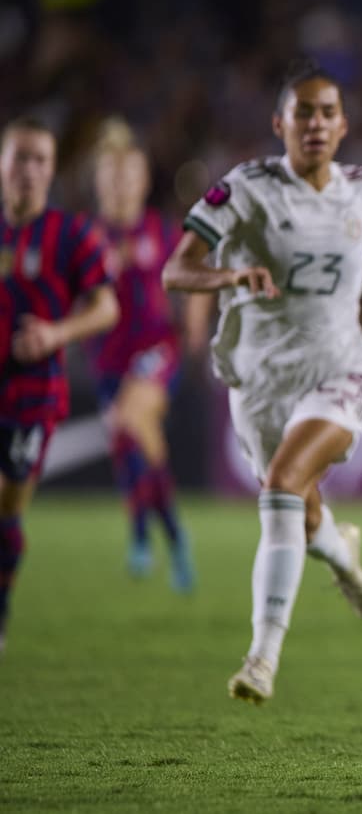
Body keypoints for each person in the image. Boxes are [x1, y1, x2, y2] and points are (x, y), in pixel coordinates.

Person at [162, 59, 362, 704]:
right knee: (298, 507)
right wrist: (230, 276)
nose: (315, 124)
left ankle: (261, 659)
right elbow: (176, 271)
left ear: (343, 125)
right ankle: (341, 553)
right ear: (279, 124)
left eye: (327, 113)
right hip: (259, 381)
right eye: (303, 113)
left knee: (283, 485)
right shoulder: (244, 190)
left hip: (338, 369)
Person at [0, 117, 120, 656]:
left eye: (40, 159)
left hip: (34, 396)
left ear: (51, 170)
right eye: (20, 157)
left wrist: (55, 333)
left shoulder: (71, 235)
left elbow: (106, 307)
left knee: (8, 511)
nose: (29, 169)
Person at [91, 126, 195, 591]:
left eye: (128, 174)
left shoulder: (161, 230)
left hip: (156, 349)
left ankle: (139, 537)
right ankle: (172, 535)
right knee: (133, 442)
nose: (120, 183)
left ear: (144, 179)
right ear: (98, 180)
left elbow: (195, 272)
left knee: (131, 417)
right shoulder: (86, 236)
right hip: (107, 357)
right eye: (112, 174)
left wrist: (195, 321)